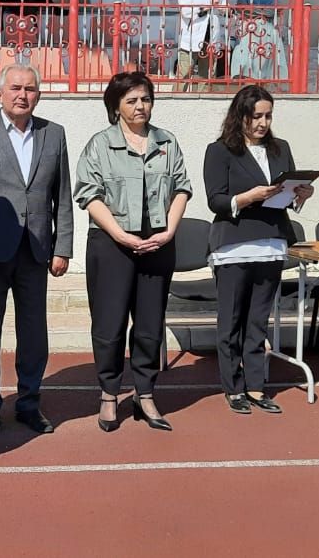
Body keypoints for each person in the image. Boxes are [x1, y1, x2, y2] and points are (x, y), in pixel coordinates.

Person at [74, 71, 191, 433]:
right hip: (111, 245)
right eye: (132, 100)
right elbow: (88, 195)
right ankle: (109, 394)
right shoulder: (99, 145)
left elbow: (182, 188)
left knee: (149, 326)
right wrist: (121, 236)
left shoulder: (166, 142)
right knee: (109, 326)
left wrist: (170, 230)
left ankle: (145, 393)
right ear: (116, 106)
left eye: (146, 99)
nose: (141, 106)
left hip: (157, 243)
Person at [0, 63, 72, 435]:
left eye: (29, 89)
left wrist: (63, 246)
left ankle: (29, 403)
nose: (22, 95)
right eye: (14, 88)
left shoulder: (54, 134)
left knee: (33, 334)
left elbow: (62, 195)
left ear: (38, 96)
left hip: (36, 249)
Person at [203, 85, 312, 415]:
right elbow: (216, 199)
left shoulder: (281, 149)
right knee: (232, 320)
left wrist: (300, 195)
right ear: (241, 116)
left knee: (258, 321)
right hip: (234, 243)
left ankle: (255, 386)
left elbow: (287, 197)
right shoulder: (220, 150)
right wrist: (248, 197)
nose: (263, 123)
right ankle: (232, 387)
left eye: (268, 116)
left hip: (271, 242)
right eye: (257, 116)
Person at [230, 0, 289, 83]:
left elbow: (273, 10)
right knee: (244, 52)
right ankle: (242, 78)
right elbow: (241, 6)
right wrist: (262, 10)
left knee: (268, 55)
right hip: (248, 24)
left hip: (268, 25)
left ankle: (265, 83)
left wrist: (254, 9)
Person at [176, 0, 227, 92]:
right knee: (185, 72)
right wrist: (206, 7)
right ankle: (177, 98)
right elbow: (186, 12)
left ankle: (203, 100)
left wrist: (223, 9)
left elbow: (224, 8)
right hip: (192, 37)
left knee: (207, 74)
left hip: (211, 36)